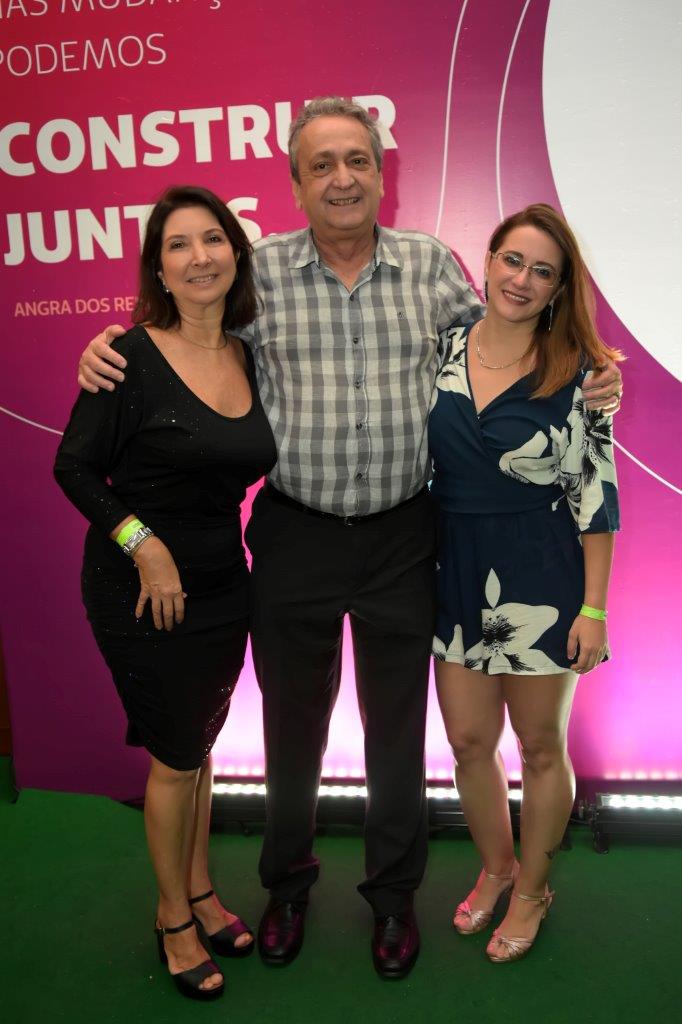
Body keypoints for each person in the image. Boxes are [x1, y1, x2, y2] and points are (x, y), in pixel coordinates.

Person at [75, 98, 623, 979]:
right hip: (295, 533)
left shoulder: (431, 267)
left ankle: (392, 897)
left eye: (357, 161)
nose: (342, 179)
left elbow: (509, 333)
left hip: (405, 535)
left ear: (381, 171)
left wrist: (593, 375)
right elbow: (183, 334)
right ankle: (287, 888)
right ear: (295, 183)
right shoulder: (258, 273)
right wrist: (110, 344)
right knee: (292, 729)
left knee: (397, 731)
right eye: (321, 164)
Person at [54, 185, 277, 999]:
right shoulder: (128, 357)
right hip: (141, 590)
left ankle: (201, 889)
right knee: (177, 756)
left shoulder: (250, 355)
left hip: (222, 582)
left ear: (236, 254)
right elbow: (73, 467)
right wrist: (143, 544)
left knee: (199, 746)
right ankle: (173, 917)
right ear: (158, 267)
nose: (198, 258)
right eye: (178, 245)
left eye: (212, 239)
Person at [430, 203, 621, 963]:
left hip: (542, 571)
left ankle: (535, 891)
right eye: (513, 260)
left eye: (543, 271)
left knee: (540, 746)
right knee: (469, 741)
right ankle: (498, 867)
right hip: (453, 566)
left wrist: (593, 609)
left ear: (557, 288)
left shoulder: (580, 375)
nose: (522, 279)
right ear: (487, 262)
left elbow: (596, 498)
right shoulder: (439, 348)